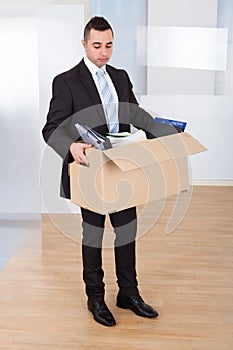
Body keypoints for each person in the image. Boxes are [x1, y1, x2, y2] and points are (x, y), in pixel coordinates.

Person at [42, 16, 177, 327]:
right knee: (94, 235)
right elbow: (51, 128)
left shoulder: (120, 75)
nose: (104, 52)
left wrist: (168, 132)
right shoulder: (66, 81)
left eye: (109, 45)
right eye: (97, 45)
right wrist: (71, 147)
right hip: (90, 171)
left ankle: (128, 293)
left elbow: (136, 115)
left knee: (126, 231)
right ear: (84, 44)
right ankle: (96, 298)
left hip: (123, 168)